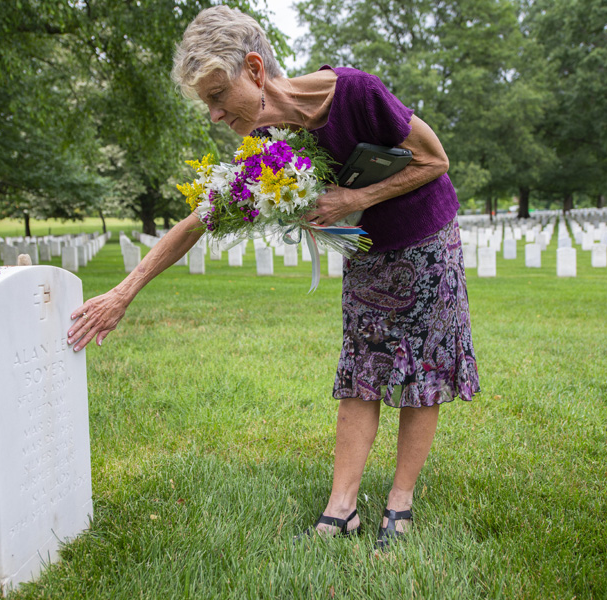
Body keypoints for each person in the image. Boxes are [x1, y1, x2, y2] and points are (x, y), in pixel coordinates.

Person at [66, 5, 479, 549]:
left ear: (255, 70)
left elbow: (434, 160)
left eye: (217, 96)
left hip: (427, 239)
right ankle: (342, 507)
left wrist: (354, 197)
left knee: (421, 371)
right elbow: (197, 221)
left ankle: (399, 501)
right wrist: (124, 291)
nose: (213, 114)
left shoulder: (356, 92)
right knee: (361, 371)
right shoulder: (268, 146)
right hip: (367, 257)